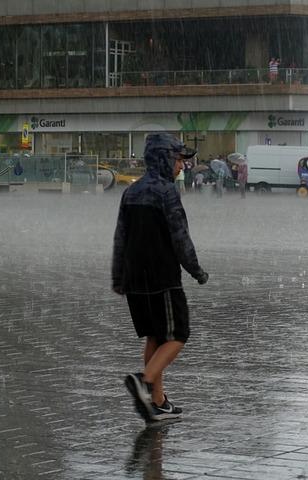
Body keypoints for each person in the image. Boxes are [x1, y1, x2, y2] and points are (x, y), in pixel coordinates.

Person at [113, 133, 209, 423]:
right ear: (164, 158)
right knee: (178, 334)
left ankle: (157, 402)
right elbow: (180, 238)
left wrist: (119, 277)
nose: (181, 166)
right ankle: (144, 380)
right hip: (162, 278)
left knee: (156, 335)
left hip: (134, 280)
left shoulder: (130, 192)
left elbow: (121, 237)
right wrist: (196, 270)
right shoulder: (166, 192)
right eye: (179, 159)